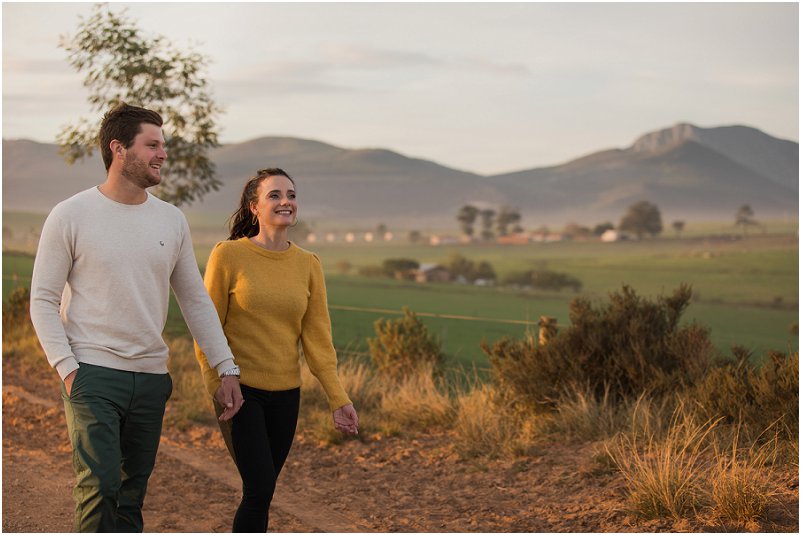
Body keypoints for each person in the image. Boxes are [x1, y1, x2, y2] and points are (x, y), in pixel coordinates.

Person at [29, 102, 245, 533]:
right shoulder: (70, 215)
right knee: (100, 485)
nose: (162, 154)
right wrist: (68, 369)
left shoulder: (171, 219)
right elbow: (42, 299)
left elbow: (195, 301)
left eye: (163, 145)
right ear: (118, 149)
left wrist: (227, 367)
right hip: (92, 373)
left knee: (132, 493)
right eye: (152, 145)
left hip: (150, 377)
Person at [194, 167, 359, 532]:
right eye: (275, 195)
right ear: (254, 207)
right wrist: (218, 382)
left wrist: (338, 397)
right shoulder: (228, 255)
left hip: (287, 395)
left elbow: (317, 339)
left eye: (291, 195)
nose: (286, 201)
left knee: (263, 491)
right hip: (239, 391)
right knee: (259, 488)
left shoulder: (308, 264)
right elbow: (207, 328)